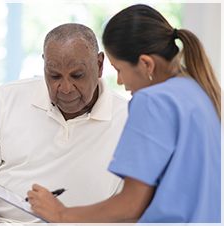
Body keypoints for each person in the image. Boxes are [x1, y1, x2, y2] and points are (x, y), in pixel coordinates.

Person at [27, 4, 221, 223]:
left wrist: (61, 214)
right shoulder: (199, 93)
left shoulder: (152, 101)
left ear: (146, 64)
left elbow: (130, 206)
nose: (119, 81)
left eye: (119, 69)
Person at [0, 23, 128, 223]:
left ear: (99, 65)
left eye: (77, 75)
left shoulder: (129, 120)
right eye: (54, 75)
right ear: (44, 65)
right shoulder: (6, 98)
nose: (65, 88)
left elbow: (130, 209)